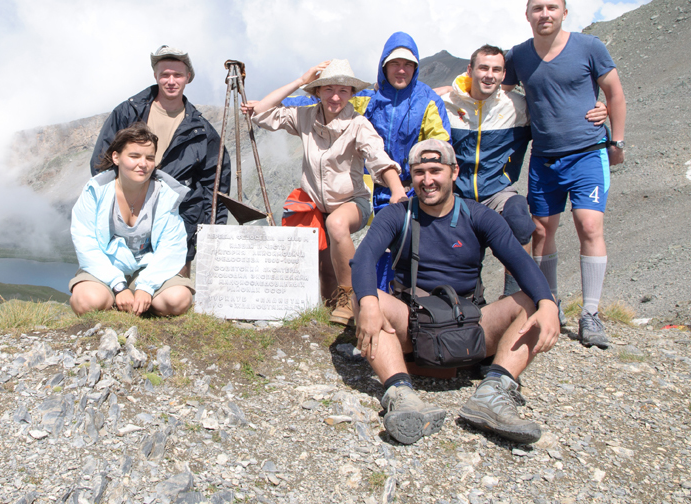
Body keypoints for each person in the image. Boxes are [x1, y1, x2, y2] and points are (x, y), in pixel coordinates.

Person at [351, 139, 559, 445]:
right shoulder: (397, 215)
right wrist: (368, 302)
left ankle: (494, 393)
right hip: (413, 324)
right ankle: (402, 395)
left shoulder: (478, 215)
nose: (427, 180)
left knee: (531, 302)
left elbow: (521, 262)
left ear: (454, 172)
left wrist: (548, 304)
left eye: (436, 170)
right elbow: (363, 259)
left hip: (470, 327)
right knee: (365, 298)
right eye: (419, 172)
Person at [441, 45, 607, 317]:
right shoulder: (447, 103)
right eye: (483, 68)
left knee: (520, 217)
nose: (489, 75)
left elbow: (560, 118)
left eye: (496, 69)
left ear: (504, 74)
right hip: (457, 193)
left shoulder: (518, 106)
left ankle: (512, 297)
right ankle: (466, 296)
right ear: (470, 70)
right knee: (452, 241)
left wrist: (605, 109)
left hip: (498, 191)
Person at [502, 0, 627, 349]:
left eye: (552, 7)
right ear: (527, 15)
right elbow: (495, 92)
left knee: (589, 224)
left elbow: (614, 93)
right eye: (537, 8)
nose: (545, 14)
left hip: (588, 152)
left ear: (564, 12)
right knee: (541, 231)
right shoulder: (519, 56)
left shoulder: (590, 47)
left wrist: (616, 141)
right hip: (544, 158)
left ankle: (590, 314)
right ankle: (550, 305)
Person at [242, 58, 406, 325]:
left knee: (337, 224)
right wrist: (300, 80)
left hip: (352, 202)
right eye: (328, 88)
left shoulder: (358, 125)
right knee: (325, 268)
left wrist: (397, 189)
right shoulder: (306, 117)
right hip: (315, 205)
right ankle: (332, 315)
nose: (335, 96)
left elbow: (378, 157)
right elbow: (261, 113)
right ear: (317, 91)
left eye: (343, 90)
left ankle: (352, 298)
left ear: (352, 94)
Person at [91, 45, 231, 271]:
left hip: (178, 225)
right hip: (125, 222)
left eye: (177, 74)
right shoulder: (127, 113)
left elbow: (214, 189)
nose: (171, 80)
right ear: (155, 76)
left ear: (188, 78)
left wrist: (202, 237)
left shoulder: (204, 132)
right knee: (117, 297)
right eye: (165, 74)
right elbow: (102, 162)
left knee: (172, 302)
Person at [352, 32, 451, 290]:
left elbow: (439, 144)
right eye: (395, 63)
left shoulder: (428, 100)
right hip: (366, 186)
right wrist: (266, 105)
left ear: (415, 67)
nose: (401, 70)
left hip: (407, 187)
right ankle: (363, 298)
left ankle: (392, 301)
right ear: (384, 65)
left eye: (408, 64)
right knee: (370, 245)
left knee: (400, 245)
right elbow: (320, 102)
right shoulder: (366, 97)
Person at [70, 123, 194, 317]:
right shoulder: (95, 191)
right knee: (87, 301)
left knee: (178, 300)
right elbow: (86, 243)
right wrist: (118, 285)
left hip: (149, 268)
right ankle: (116, 299)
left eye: (149, 158)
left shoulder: (166, 194)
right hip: (105, 269)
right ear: (116, 157)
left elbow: (172, 246)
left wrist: (146, 286)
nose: (143, 164)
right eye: (134, 156)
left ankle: (140, 302)